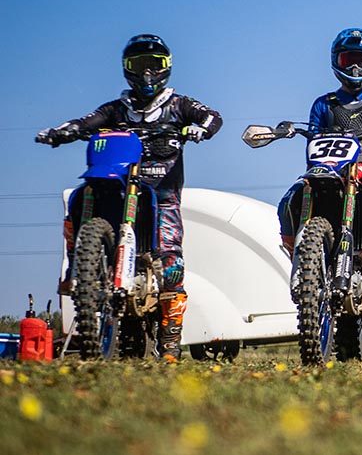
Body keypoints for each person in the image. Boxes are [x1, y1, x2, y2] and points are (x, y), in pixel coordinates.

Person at [36, 34, 223, 362]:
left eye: (155, 65)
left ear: (166, 68)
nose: (147, 73)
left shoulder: (179, 105)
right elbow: (85, 122)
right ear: (127, 69)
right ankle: (80, 263)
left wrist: (200, 129)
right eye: (139, 65)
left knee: (171, 266)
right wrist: (60, 131)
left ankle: (169, 346)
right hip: (119, 188)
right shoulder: (116, 108)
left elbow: (212, 116)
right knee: (83, 195)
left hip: (161, 192)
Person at [277, 28, 362, 364]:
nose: (353, 68)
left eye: (360, 60)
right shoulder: (324, 104)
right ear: (336, 62)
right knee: (287, 201)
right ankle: (306, 262)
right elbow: (312, 144)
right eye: (348, 60)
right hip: (327, 176)